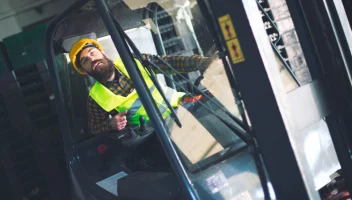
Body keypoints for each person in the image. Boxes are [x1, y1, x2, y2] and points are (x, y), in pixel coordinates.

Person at [69, 38, 218, 135]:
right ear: (84, 70)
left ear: (102, 52)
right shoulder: (95, 99)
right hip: (158, 133)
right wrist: (110, 124)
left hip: (185, 106)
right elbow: (94, 127)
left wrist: (204, 63)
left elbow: (169, 62)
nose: (92, 59)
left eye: (92, 53)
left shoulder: (133, 61)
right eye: (85, 61)